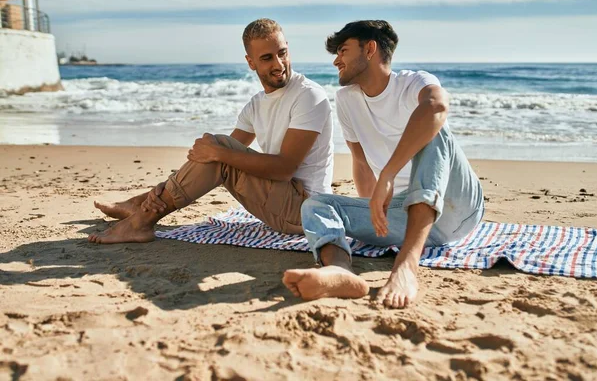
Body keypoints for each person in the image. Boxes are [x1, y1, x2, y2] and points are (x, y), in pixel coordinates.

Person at [283, 20, 484, 308]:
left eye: (343, 50)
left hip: (458, 205)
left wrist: (387, 175)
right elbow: (362, 164)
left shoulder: (411, 83)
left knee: (434, 128)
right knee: (315, 205)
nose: (336, 60)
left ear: (370, 49)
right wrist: (372, 208)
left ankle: (405, 268)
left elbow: (437, 107)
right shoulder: (346, 100)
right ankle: (339, 270)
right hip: (403, 218)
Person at [89, 18, 334, 243]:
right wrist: (163, 187)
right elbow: (213, 160)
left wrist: (217, 152)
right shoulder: (257, 104)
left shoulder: (308, 95)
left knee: (219, 149)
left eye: (282, 53)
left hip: (306, 210)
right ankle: (142, 204)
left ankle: (141, 220)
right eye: (267, 57)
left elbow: (284, 169)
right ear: (251, 62)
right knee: (217, 147)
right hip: (281, 201)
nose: (278, 64)